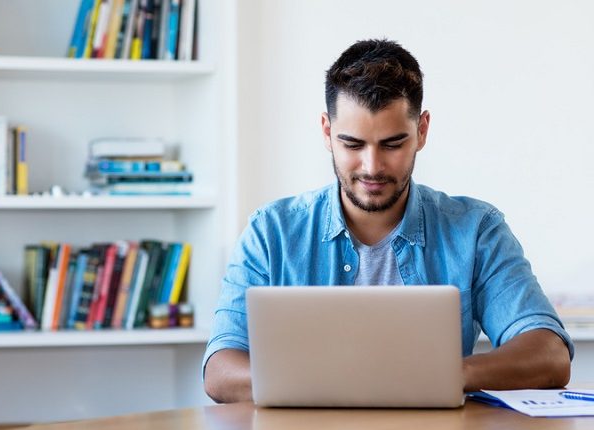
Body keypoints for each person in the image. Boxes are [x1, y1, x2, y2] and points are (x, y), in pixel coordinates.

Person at [203, 39, 573, 404]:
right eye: (352, 144)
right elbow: (219, 371)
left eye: (392, 144)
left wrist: (443, 375)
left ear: (422, 131)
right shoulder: (271, 232)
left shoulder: (477, 230)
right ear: (326, 132)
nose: (372, 167)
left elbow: (549, 355)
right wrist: (323, 382)